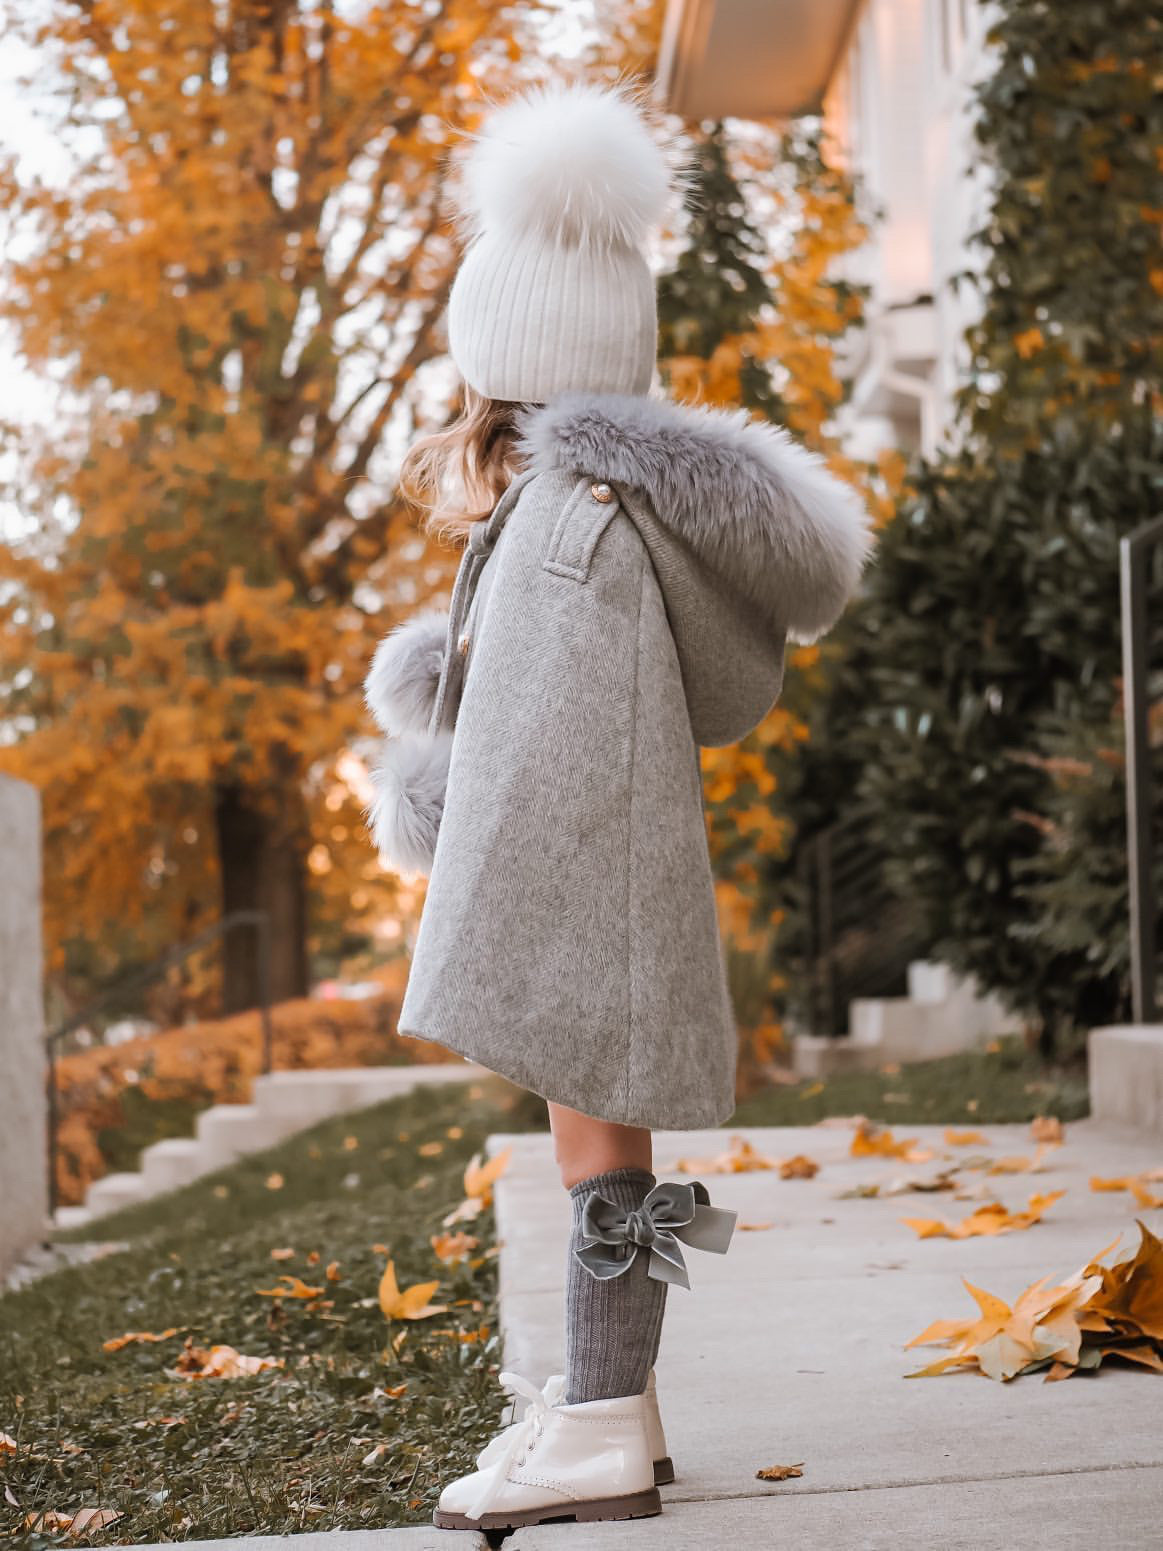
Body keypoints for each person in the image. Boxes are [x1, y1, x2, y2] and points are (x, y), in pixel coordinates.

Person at [363, 80, 872, 1535]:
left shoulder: (566, 527)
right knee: (605, 1154)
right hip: (600, 879)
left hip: (582, 879)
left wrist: (506, 876)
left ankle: (598, 1426)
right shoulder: (590, 511)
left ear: (503, 365)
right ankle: (613, 1405)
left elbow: (561, 738)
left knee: (599, 1158)